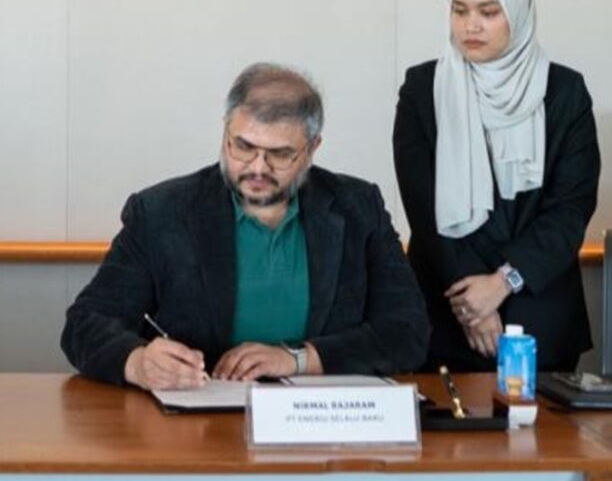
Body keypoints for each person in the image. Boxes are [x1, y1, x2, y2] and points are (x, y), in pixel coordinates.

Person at [62, 63, 429, 390]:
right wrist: (138, 363)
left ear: (313, 148)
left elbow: (408, 332)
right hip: (195, 428)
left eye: (280, 154)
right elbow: (84, 325)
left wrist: (298, 359)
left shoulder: (357, 208)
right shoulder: (162, 213)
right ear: (226, 133)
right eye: (243, 147)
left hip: (321, 427)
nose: (257, 168)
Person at [394, 0, 600, 373]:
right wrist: (474, 303)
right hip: (445, 314)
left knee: (547, 439)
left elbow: (571, 207)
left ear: (519, 15)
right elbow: (425, 208)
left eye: (489, 12)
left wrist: (503, 282)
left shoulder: (564, 91)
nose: (471, 26)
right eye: (459, 10)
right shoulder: (422, 89)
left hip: (541, 315)